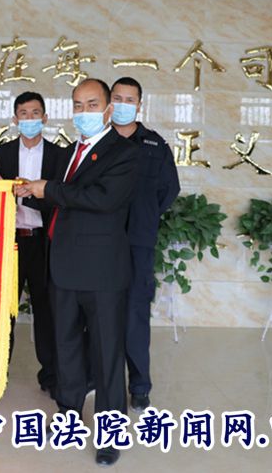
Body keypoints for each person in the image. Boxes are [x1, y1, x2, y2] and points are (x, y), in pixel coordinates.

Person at [15, 78, 138, 466]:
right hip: (63, 265)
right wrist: (27, 192)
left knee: (106, 353)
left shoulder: (125, 152)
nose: (84, 112)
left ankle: (109, 434)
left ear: (108, 109)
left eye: (92, 104)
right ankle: (68, 413)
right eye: (78, 105)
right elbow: (60, 202)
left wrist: (47, 189)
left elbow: (102, 199)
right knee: (65, 345)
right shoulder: (71, 151)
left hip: (102, 272)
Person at [110, 76, 180, 412]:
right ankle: (97, 378)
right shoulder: (97, 141)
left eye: (129, 100)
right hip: (99, 243)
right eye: (117, 98)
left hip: (138, 242)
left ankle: (139, 385)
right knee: (97, 314)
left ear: (139, 105)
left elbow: (169, 190)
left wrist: (143, 216)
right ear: (108, 103)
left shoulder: (155, 145)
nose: (123, 105)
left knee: (135, 314)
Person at [0, 91, 61, 398]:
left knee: (47, 311)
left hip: (44, 244)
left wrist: (31, 194)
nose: (29, 119)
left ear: (45, 118)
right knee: (3, 310)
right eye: (23, 113)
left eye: (35, 113)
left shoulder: (60, 156)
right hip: (9, 243)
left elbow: (60, 200)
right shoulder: (0, 154)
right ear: (14, 119)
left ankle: (51, 375)